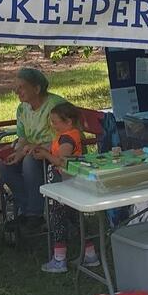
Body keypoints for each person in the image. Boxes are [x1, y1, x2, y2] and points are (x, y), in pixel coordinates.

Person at [32, 102, 99, 273]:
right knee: (76, 217)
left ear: (68, 122)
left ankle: (59, 258)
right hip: (67, 184)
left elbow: (62, 160)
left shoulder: (68, 138)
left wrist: (46, 155)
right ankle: (90, 254)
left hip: (64, 185)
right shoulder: (68, 135)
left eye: (55, 122)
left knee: (57, 218)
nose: (52, 125)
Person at [0, 67, 65, 229]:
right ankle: (27, 210)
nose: (16, 91)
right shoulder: (22, 109)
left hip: (57, 153)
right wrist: (18, 151)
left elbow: (66, 137)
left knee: (30, 159)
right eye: (16, 87)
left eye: (21, 87)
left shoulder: (55, 106)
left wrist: (30, 149)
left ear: (36, 88)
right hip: (33, 150)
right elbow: (23, 138)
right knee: (4, 164)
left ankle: (34, 214)